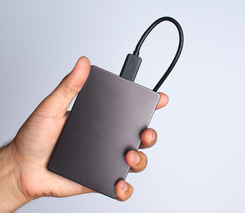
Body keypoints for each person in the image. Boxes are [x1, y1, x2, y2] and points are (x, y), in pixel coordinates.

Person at [0, 57, 168, 212]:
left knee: (140, 142)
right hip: (37, 166)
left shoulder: (136, 99)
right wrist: (16, 165)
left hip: (31, 172)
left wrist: (16, 173)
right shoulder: (106, 85)